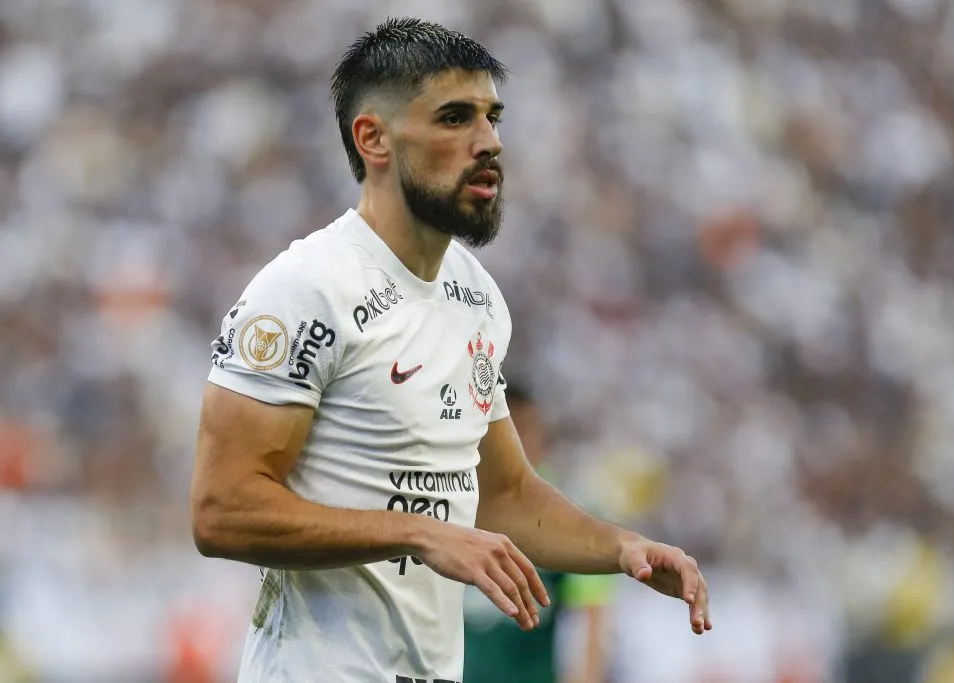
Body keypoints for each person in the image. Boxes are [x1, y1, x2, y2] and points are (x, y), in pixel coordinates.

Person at [189, 17, 711, 683]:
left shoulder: (475, 297)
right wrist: (419, 530)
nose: (488, 142)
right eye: (455, 118)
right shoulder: (305, 290)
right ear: (373, 138)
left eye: (492, 118)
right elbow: (220, 509)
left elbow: (504, 493)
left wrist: (623, 547)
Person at [463, 381, 616, 683]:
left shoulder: (573, 515)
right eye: (510, 430)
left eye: (525, 430)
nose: (517, 443)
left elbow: (592, 623)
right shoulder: (455, 503)